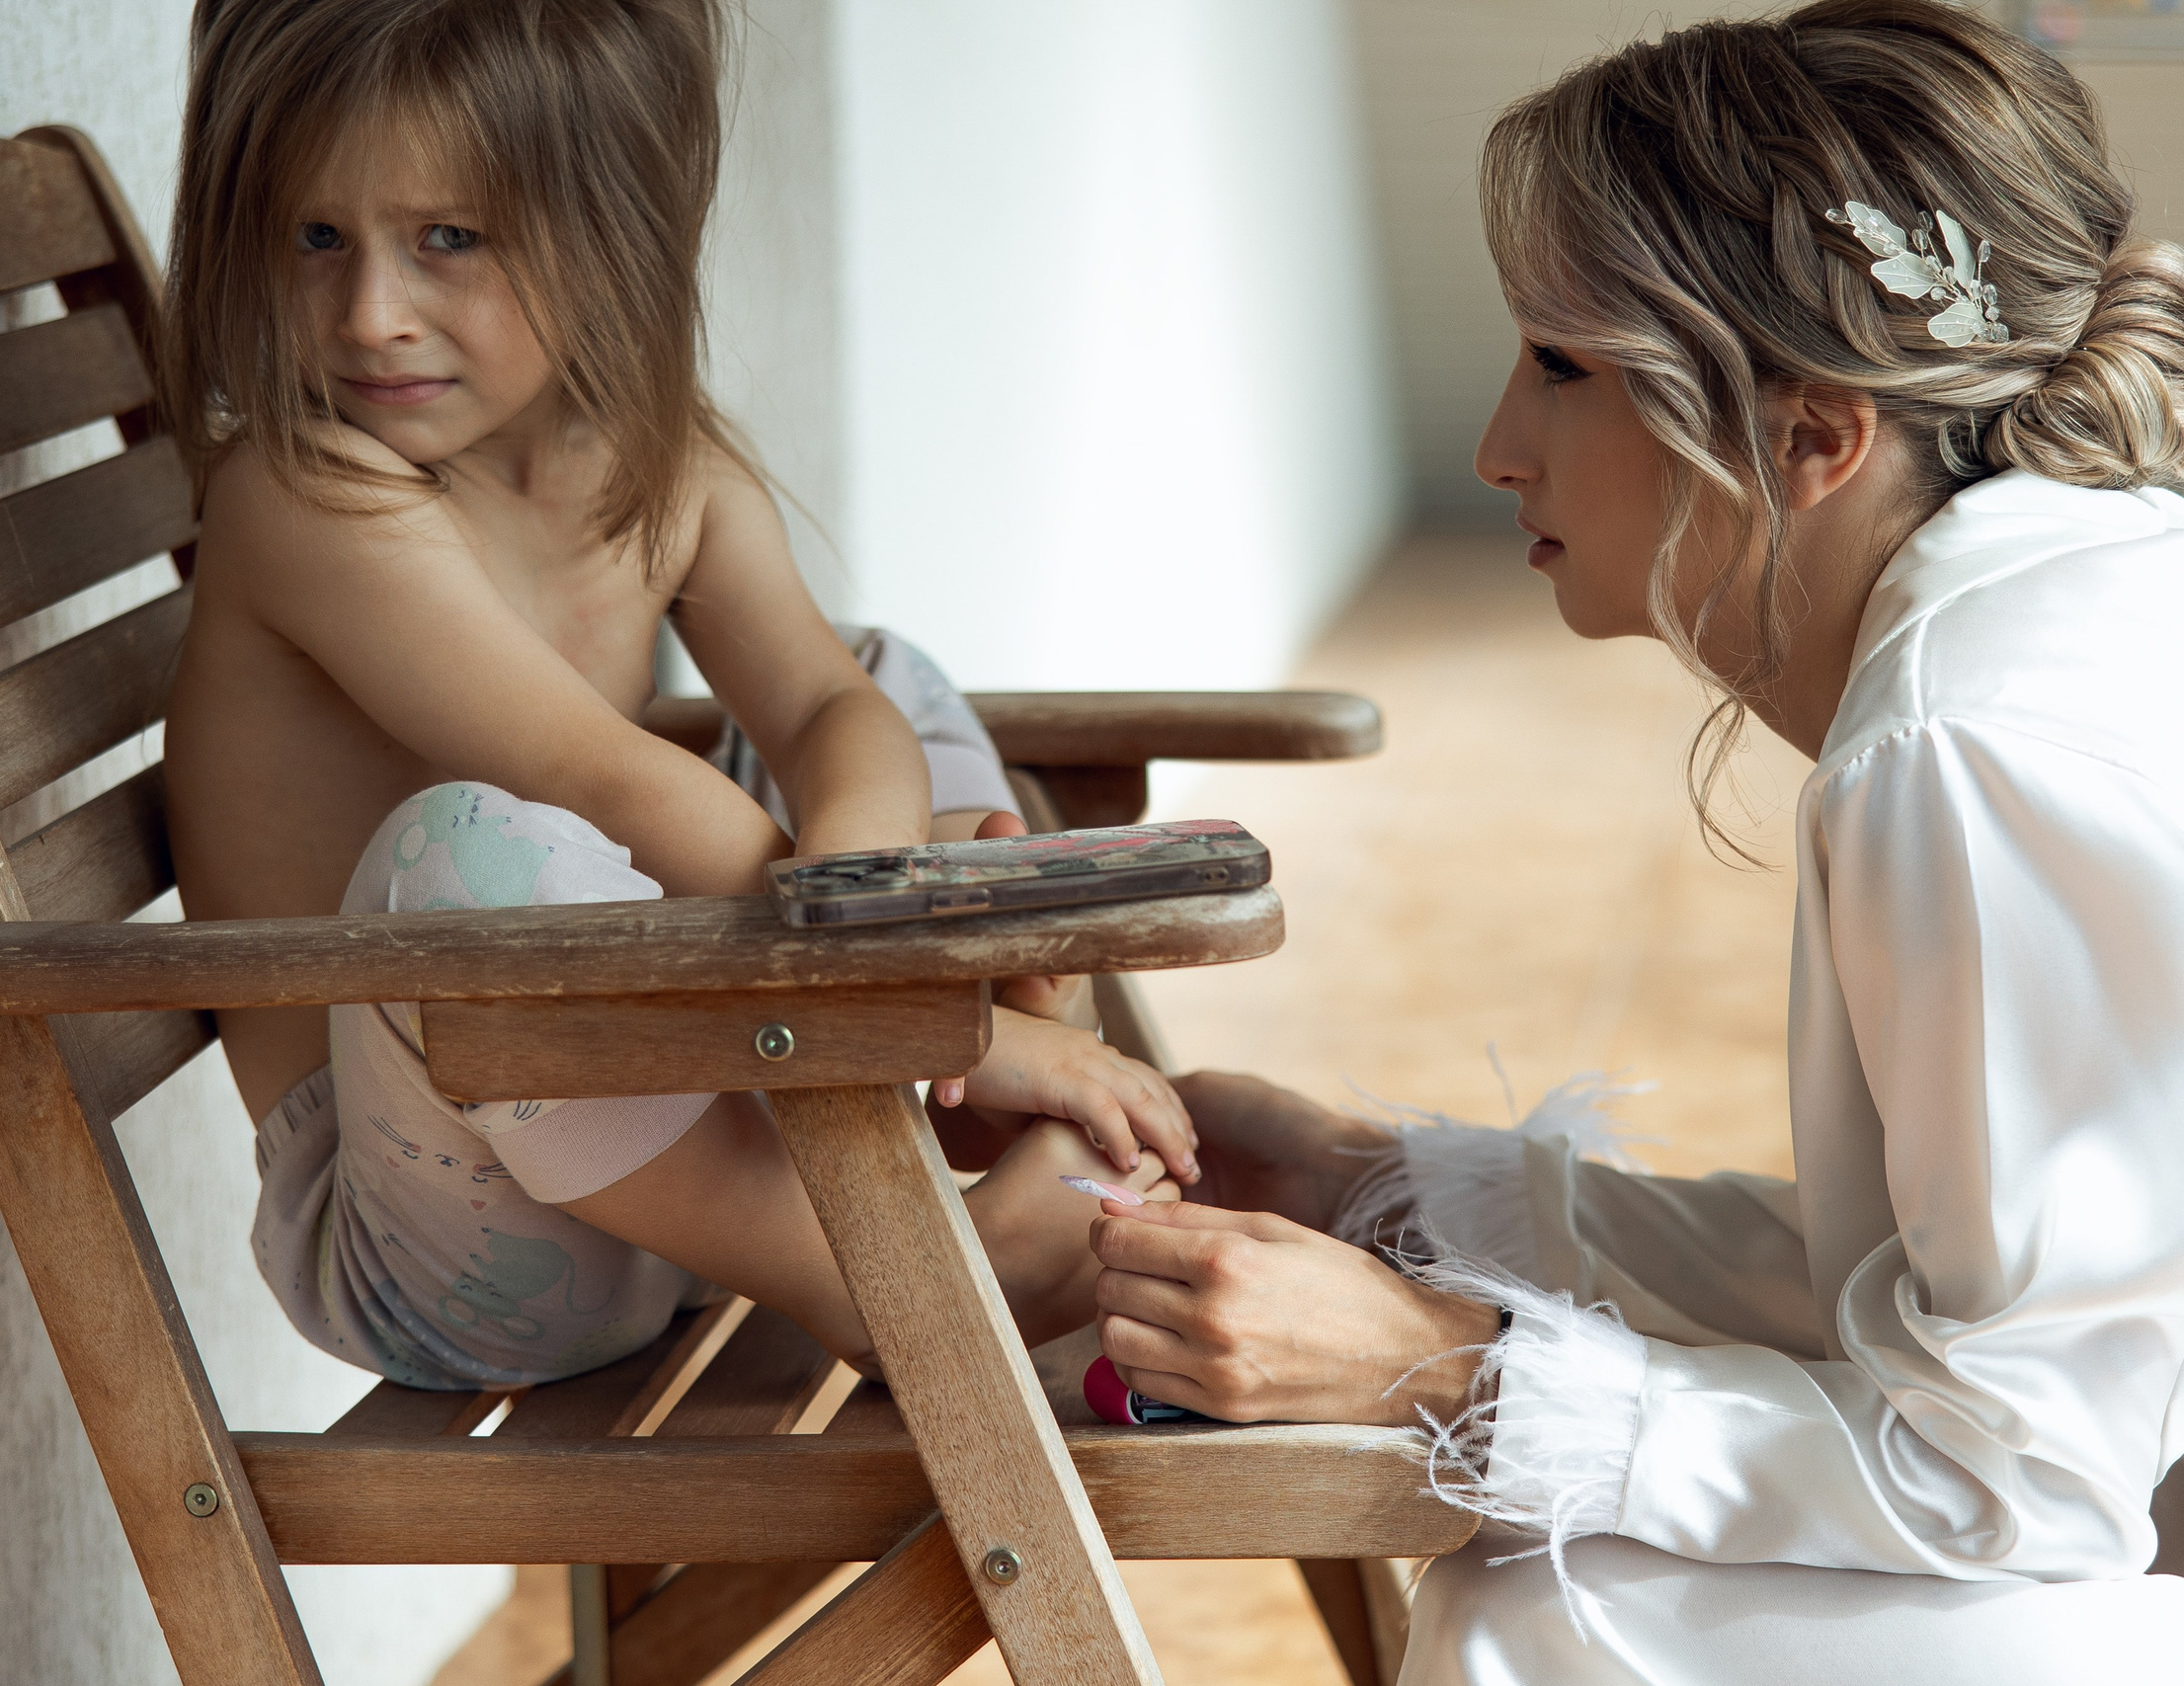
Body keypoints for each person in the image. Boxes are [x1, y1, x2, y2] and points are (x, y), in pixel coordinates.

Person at [1088, 4, 2184, 1679]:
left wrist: (1444, 1368)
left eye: (1562, 366)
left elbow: (2025, 1469)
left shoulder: (1963, 746)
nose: (1496, 448)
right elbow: (1946, 1285)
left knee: (1544, 1606)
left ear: (1812, 435)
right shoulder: (2062, 597)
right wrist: (1389, 1194)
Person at [156, 0, 1197, 1392]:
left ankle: (941, 1080)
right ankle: (893, 1274)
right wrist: (930, 1009)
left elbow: (832, 706)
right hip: (446, 1242)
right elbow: (605, 782)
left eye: (447, 240)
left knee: (886, 676)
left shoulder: (670, 470)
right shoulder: (306, 499)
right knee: (459, 859)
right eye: (315, 237)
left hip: (681, 1138)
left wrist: (866, 892)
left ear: (615, 231)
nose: (370, 316)